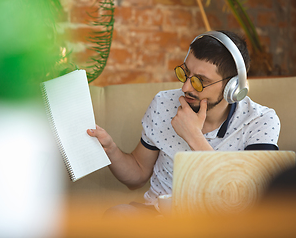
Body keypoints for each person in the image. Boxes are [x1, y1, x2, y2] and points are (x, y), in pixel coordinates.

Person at [87, 30, 280, 217]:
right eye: (185, 73)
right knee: (118, 215)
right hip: (157, 216)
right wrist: (110, 149)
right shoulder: (163, 103)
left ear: (233, 87)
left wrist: (193, 136)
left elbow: (254, 202)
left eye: (200, 81)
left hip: (220, 225)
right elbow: (137, 175)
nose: (185, 87)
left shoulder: (260, 121)